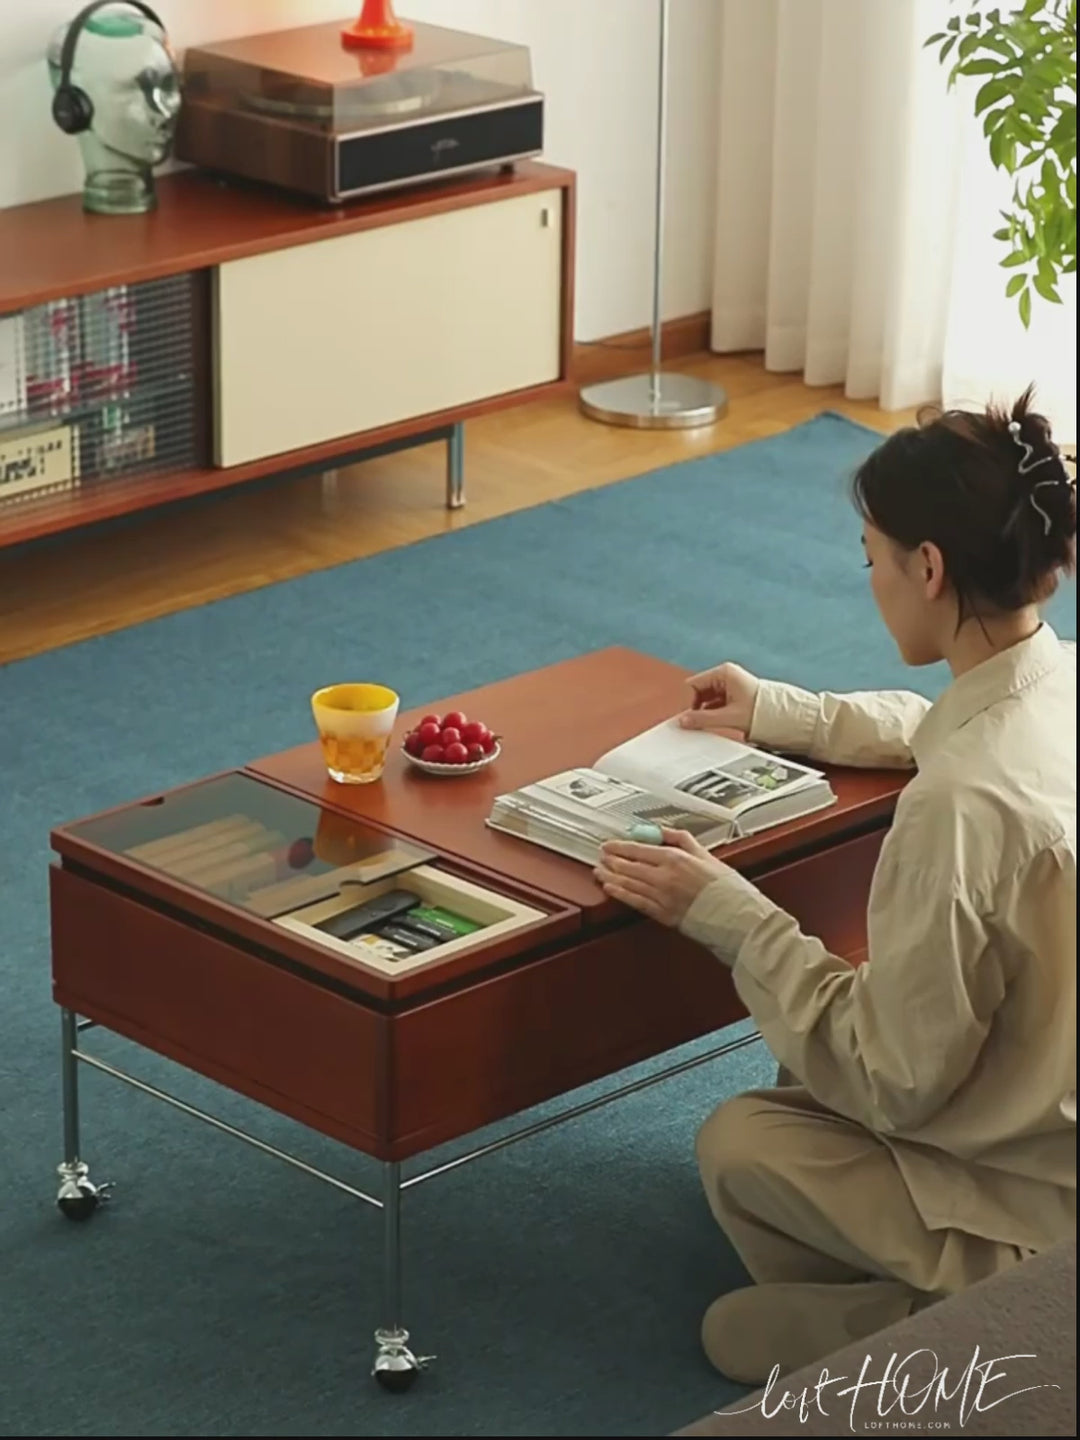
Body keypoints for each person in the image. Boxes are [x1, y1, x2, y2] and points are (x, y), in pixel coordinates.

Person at [595, 388, 1077, 1385]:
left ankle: (968, 1332)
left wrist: (734, 920)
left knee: (743, 1144)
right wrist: (784, 710)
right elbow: (944, 724)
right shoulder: (1055, 686)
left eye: (872, 558)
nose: (870, 579)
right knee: (792, 1084)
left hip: (1035, 1199)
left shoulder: (954, 811)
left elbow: (895, 1084)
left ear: (929, 567)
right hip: (1050, 1123)